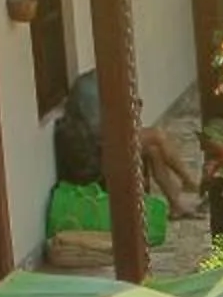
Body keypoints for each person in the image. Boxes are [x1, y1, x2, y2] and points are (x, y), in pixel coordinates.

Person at [54, 70, 200, 215]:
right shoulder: (89, 90)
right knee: (157, 136)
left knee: (153, 150)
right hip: (91, 159)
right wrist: (128, 118)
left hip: (104, 147)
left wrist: (131, 112)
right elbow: (100, 134)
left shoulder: (102, 84)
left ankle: (176, 204)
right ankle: (189, 180)